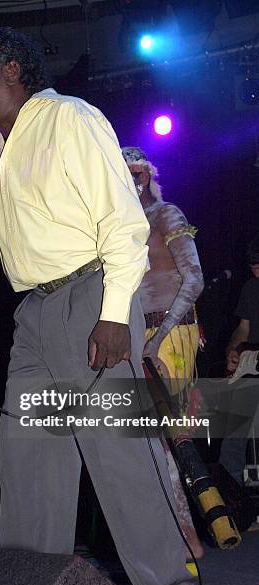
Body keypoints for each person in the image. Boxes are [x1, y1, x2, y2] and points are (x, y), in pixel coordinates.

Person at [0, 26, 203, 585]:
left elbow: (123, 222)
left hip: (92, 296)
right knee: (27, 456)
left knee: (118, 457)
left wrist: (112, 315)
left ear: (11, 71)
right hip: (33, 315)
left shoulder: (68, 119)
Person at [122, 146, 205, 559]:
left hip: (171, 335)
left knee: (166, 435)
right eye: (126, 174)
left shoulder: (167, 214)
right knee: (150, 438)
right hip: (140, 335)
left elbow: (195, 279)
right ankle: (179, 537)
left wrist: (159, 336)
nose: (134, 181)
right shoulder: (122, 225)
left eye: (139, 173)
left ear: (149, 175)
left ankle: (187, 539)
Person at [220, 235, 259, 484]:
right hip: (251, 366)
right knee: (233, 436)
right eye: (254, 269)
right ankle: (231, 502)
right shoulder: (251, 288)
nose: (257, 274)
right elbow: (243, 328)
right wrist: (232, 350)